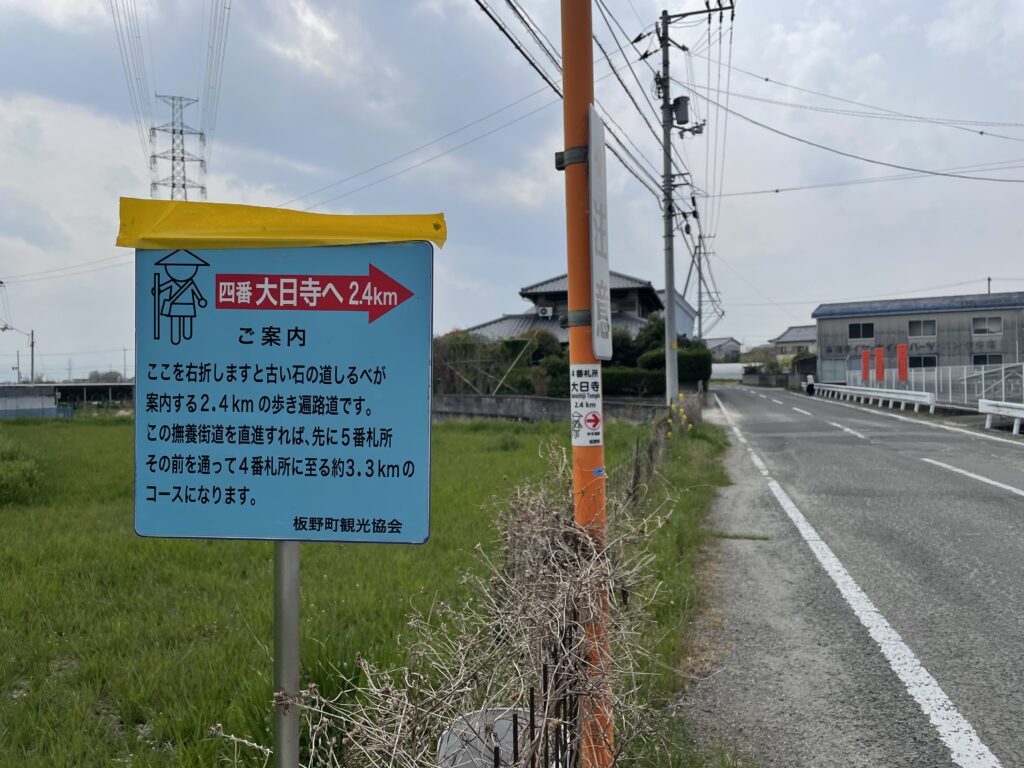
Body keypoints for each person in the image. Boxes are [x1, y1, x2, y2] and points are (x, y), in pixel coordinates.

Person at [153, 250, 209, 345]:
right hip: (175, 305)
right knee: (175, 323)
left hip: (188, 305)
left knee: (187, 328)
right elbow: (160, 289)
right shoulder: (172, 282)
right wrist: (157, 290)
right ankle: (175, 339)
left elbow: (197, 294)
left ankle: (185, 337)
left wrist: (200, 299)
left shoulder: (190, 284)